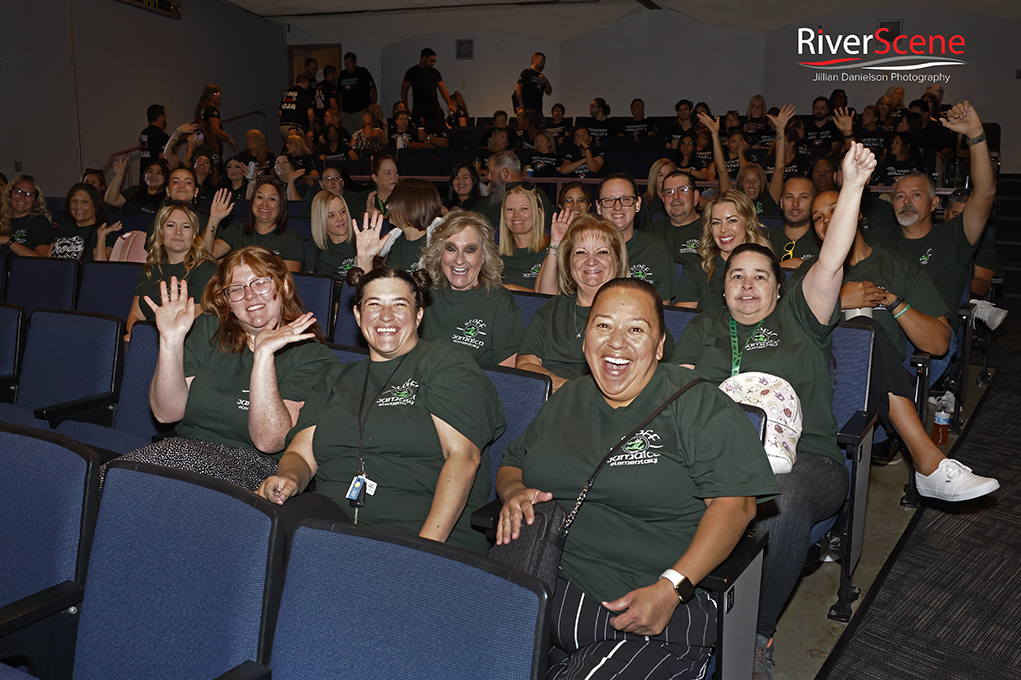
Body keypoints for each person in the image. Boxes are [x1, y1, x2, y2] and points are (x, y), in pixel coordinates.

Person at [499, 277, 777, 680]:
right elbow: (512, 462)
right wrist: (513, 492)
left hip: (648, 615)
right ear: (585, 339)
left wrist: (671, 588)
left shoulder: (699, 404)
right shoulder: (568, 398)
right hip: (544, 592)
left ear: (660, 345)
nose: (616, 343)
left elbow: (736, 506)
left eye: (635, 329)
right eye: (603, 325)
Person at [670, 144, 876, 679]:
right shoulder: (706, 326)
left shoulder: (801, 319)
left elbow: (831, 258)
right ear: (722, 284)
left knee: (777, 500)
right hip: (717, 456)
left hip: (807, 462)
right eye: (737, 275)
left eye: (760, 276)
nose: (746, 285)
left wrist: (852, 185)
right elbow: (681, 390)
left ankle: (755, 634)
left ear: (779, 287)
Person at [257, 265, 505, 555]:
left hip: (418, 529)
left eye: (399, 304)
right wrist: (289, 478)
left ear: (418, 315)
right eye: (374, 304)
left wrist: (423, 549)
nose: (386, 316)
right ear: (359, 315)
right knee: (262, 530)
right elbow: (301, 454)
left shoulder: (445, 362)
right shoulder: (335, 378)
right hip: (333, 522)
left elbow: (464, 457)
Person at [812, 188, 998, 494]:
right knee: (860, 327)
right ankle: (927, 461)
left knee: (865, 330)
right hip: (818, 385)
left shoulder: (898, 266)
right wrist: (836, 302)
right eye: (817, 217)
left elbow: (939, 344)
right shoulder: (811, 275)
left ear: (857, 213)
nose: (826, 220)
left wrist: (892, 301)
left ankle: (926, 458)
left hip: (875, 392)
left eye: (834, 209)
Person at [110, 246, 337, 489]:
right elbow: (167, 413)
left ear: (285, 286)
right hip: (183, 451)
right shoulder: (208, 329)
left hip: (253, 468)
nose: (249, 295)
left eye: (260, 283)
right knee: (110, 481)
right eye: (236, 289)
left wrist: (262, 357)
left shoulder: (311, 354)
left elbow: (269, 441)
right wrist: (171, 340)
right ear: (227, 300)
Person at [870, 101, 996, 334]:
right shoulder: (881, 237)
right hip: (882, 335)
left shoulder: (953, 238)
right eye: (899, 196)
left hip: (929, 343)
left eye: (915, 195)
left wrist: (976, 135)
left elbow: (985, 195)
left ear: (934, 203)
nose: (906, 201)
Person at [517, 214, 630, 390]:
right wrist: (563, 387)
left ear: (617, 261)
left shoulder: (635, 313)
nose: (591, 261)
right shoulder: (552, 309)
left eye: (602, 252)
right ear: (569, 262)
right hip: (551, 400)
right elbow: (525, 363)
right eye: (580, 252)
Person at [540, 174, 681, 304]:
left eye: (626, 199)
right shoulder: (580, 246)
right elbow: (545, 297)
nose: (617, 207)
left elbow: (662, 310)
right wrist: (556, 243)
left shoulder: (655, 248)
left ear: (637, 203)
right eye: (609, 200)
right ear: (599, 207)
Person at [417, 212, 523, 366]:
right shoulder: (423, 294)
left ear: (483, 256)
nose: (459, 260)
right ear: (440, 253)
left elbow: (507, 377)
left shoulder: (500, 301)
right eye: (451, 249)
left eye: (470, 250)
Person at [126, 203, 217, 337]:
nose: (178, 232)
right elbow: (134, 318)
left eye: (186, 227)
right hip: (149, 339)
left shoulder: (205, 269)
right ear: (160, 231)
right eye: (171, 225)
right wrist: (143, 339)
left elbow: (199, 325)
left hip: (184, 344)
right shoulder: (151, 268)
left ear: (194, 234)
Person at [675, 190, 772, 310]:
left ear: (747, 223)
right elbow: (682, 320)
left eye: (732, 221)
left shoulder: (767, 268)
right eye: (716, 223)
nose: (723, 229)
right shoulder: (697, 270)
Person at [714, 105, 793, 217]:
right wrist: (714, 134)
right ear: (741, 183)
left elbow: (780, 169)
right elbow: (722, 172)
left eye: (755, 180)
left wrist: (780, 129)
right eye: (747, 181)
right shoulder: (734, 201)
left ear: (762, 182)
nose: (751, 185)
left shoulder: (769, 200)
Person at [212, 179, 305, 271]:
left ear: (281, 206)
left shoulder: (292, 239)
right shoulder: (237, 230)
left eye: (272, 199)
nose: (264, 204)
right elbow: (207, 254)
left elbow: (288, 279)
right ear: (252, 201)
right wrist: (214, 219)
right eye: (260, 197)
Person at [379, 178, 443, 274]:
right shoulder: (393, 239)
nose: (387, 206)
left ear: (411, 208)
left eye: (394, 202)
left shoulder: (439, 248)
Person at [46, 183, 122, 262]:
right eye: (74, 201)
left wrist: (101, 237)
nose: (78, 206)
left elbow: (100, 268)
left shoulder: (105, 231)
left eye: (85, 202)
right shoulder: (65, 227)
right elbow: (48, 259)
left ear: (96, 206)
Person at [307, 190, 372, 281]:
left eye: (343, 212)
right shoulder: (318, 245)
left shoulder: (360, 241)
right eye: (332, 215)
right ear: (320, 220)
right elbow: (312, 281)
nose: (340, 218)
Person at [482, 150, 554, 232]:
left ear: (505, 173)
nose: (488, 177)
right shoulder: (496, 194)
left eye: (492, 172)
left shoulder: (535, 196)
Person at [647, 171, 703, 268]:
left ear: (695, 197)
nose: (675, 197)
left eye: (682, 190)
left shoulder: (711, 229)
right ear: (663, 200)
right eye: (669, 192)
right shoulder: (652, 230)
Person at [499, 186, 549, 290]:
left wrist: (512, 289)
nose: (516, 214)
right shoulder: (495, 256)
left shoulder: (554, 249)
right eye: (510, 209)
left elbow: (555, 298)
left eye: (524, 209)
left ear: (538, 212)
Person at [768, 176, 821, 272]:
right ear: (781, 203)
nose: (795, 204)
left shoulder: (823, 241)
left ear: (814, 202)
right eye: (789, 197)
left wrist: (805, 267)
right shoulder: (766, 239)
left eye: (803, 197)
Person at [0, 175, 57, 258]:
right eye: (18, 191)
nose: (22, 197)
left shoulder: (39, 222)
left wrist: (8, 241)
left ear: (35, 201)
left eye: (29, 194)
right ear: (10, 194)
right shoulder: (2, 217)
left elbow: (43, 261)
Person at [401, 48, 454, 128]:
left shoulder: (434, 72)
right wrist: (405, 106)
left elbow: (442, 89)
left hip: (434, 106)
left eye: (434, 61)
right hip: (419, 108)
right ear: (424, 58)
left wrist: (449, 104)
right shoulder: (412, 72)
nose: (433, 63)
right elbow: (404, 90)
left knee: (440, 127)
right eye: (431, 60)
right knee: (420, 129)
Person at [105, 156, 169, 214]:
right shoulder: (134, 191)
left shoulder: (167, 198)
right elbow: (110, 200)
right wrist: (119, 175)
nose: (153, 175)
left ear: (166, 178)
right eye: (150, 171)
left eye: (159, 173)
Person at [195, 83, 235, 167]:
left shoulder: (201, 109)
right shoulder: (211, 109)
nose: (219, 96)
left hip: (201, 144)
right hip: (211, 144)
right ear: (209, 94)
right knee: (215, 170)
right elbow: (215, 130)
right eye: (216, 94)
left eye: (220, 94)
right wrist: (228, 138)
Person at [338, 52, 378, 134]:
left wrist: (372, 107)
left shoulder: (363, 72)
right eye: (346, 63)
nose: (347, 65)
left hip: (361, 111)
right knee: (349, 135)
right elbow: (339, 93)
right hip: (346, 112)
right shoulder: (342, 74)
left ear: (355, 62)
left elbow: (373, 89)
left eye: (350, 63)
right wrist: (341, 110)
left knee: (364, 133)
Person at [138, 104, 171, 185]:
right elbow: (163, 157)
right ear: (161, 117)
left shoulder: (144, 133)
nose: (166, 119)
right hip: (156, 179)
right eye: (165, 116)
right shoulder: (161, 136)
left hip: (144, 175)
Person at [278, 75, 316, 141]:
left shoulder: (287, 92)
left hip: (283, 127)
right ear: (307, 83)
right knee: (300, 148)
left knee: (290, 146)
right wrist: (311, 128)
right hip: (296, 128)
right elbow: (310, 113)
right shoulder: (305, 93)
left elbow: (280, 112)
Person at [313, 65, 339, 133]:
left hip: (319, 117)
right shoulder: (331, 86)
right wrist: (337, 117)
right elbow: (333, 103)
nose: (336, 77)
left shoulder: (318, 86)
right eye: (335, 74)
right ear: (330, 75)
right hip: (328, 117)